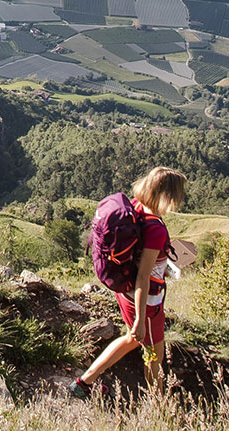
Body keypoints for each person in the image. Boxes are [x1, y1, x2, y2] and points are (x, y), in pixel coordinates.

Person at [68, 167, 188, 399]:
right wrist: (142, 320)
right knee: (154, 355)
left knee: (133, 340)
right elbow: (144, 276)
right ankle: (159, 406)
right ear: (167, 195)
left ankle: (84, 382)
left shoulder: (136, 207)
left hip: (126, 291)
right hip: (145, 300)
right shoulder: (156, 230)